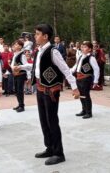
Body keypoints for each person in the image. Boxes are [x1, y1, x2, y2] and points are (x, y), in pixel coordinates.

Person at [32, 24, 80, 165]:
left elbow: (65, 69)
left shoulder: (53, 51)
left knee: (52, 121)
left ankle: (59, 153)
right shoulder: (38, 51)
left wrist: (74, 87)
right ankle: (50, 148)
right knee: (43, 120)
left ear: (45, 36)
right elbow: (37, 68)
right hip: (40, 89)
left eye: (37, 34)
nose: (35, 36)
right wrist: (22, 67)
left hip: (51, 91)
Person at [70, 41, 99, 119]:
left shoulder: (91, 58)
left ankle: (89, 112)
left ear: (90, 49)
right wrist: (69, 72)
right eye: (82, 47)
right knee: (81, 95)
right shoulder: (80, 56)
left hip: (86, 78)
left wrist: (96, 80)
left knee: (86, 95)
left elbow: (96, 69)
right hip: (79, 78)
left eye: (85, 47)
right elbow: (76, 67)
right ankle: (84, 110)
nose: (83, 48)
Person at [8, 40, 32, 112]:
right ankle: (19, 104)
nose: (15, 46)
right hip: (16, 74)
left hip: (21, 75)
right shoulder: (15, 54)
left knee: (20, 90)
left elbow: (27, 66)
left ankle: (22, 106)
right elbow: (12, 65)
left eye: (17, 45)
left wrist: (29, 76)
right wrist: (13, 68)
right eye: (15, 44)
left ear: (21, 47)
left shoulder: (22, 55)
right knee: (17, 90)